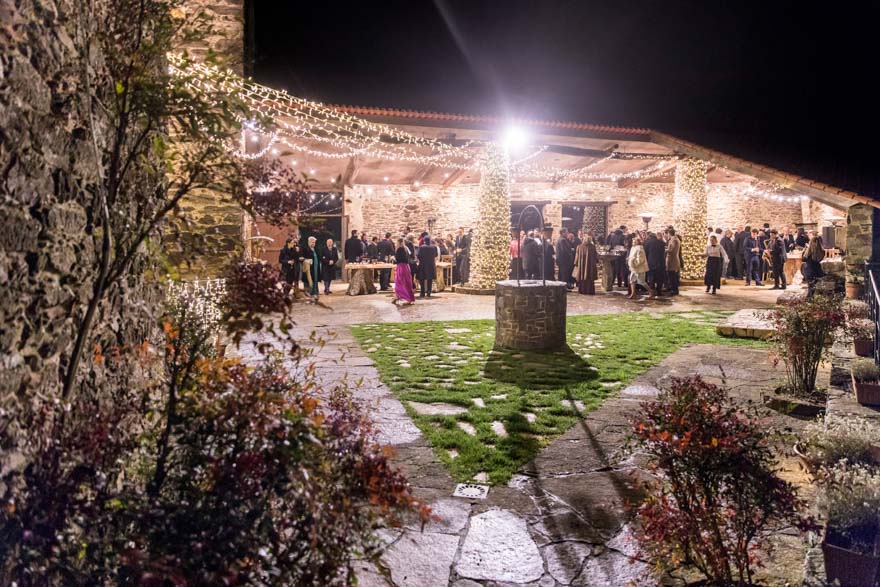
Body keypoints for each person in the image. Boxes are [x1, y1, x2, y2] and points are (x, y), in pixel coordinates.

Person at [392, 238, 416, 305]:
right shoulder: (406, 249)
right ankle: (408, 298)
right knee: (407, 283)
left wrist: (394, 258)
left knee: (399, 282)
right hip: (406, 267)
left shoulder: (399, 249)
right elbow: (408, 258)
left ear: (398, 243)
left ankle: (398, 297)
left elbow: (399, 259)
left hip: (401, 267)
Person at [643, 231, 666, 298]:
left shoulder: (647, 243)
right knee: (660, 277)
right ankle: (659, 291)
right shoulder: (661, 242)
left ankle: (652, 291)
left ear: (649, 237)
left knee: (651, 277)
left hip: (651, 262)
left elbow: (645, 253)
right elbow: (663, 252)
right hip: (660, 262)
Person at [665, 227, 682, 295]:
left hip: (673, 260)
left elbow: (672, 250)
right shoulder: (674, 239)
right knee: (671, 275)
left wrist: (664, 250)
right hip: (672, 259)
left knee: (672, 276)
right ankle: (671, 288)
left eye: (668, 233)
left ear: (669, 233)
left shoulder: (674, 240)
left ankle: (674, 290)